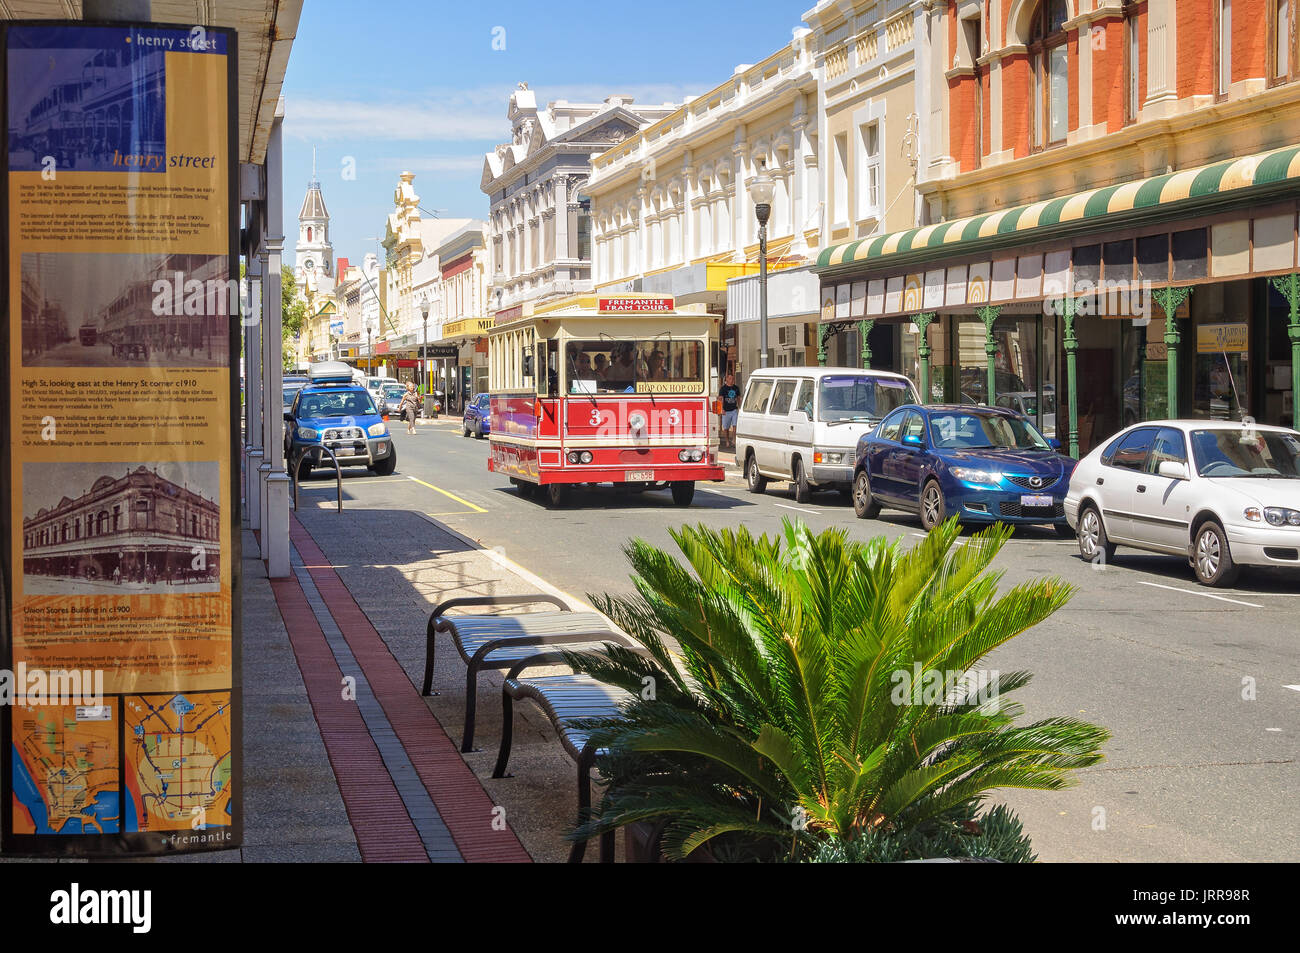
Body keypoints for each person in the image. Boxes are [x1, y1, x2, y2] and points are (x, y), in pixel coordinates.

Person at [720, 372, 740, 449]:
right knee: (726, 428)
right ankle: (727, 440)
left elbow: (738, 398)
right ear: (727, 379)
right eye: (730, 378)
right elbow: (721, 399)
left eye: (732, 379)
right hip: (726, 410)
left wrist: (740, 407)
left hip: (734, 410)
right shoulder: (723, 389)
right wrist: (721, 409)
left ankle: (734, 439)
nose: (732, 380)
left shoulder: (736, 388)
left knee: (735, 425)